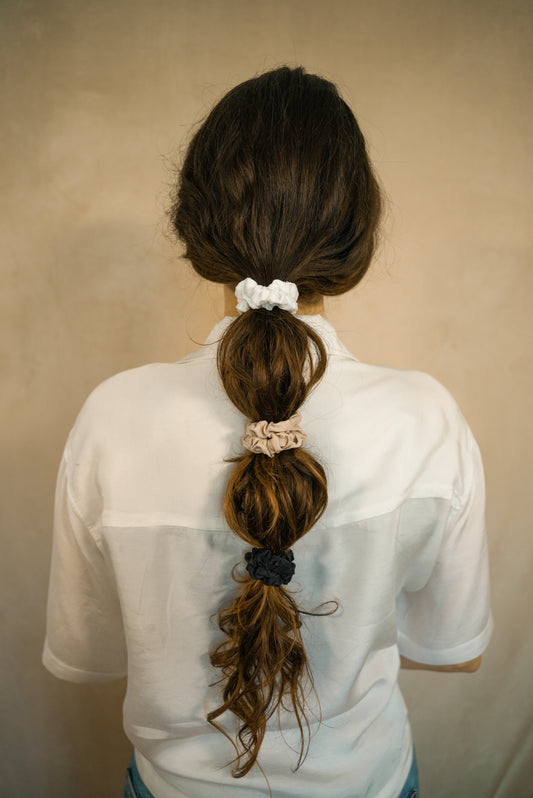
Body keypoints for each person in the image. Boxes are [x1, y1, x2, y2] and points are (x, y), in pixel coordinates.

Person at [42, 66, 493, 798]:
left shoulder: (112, 417)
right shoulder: (426, 417)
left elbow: (86, 652)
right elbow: (455, 649)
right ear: (355, 236)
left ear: (196, 226)